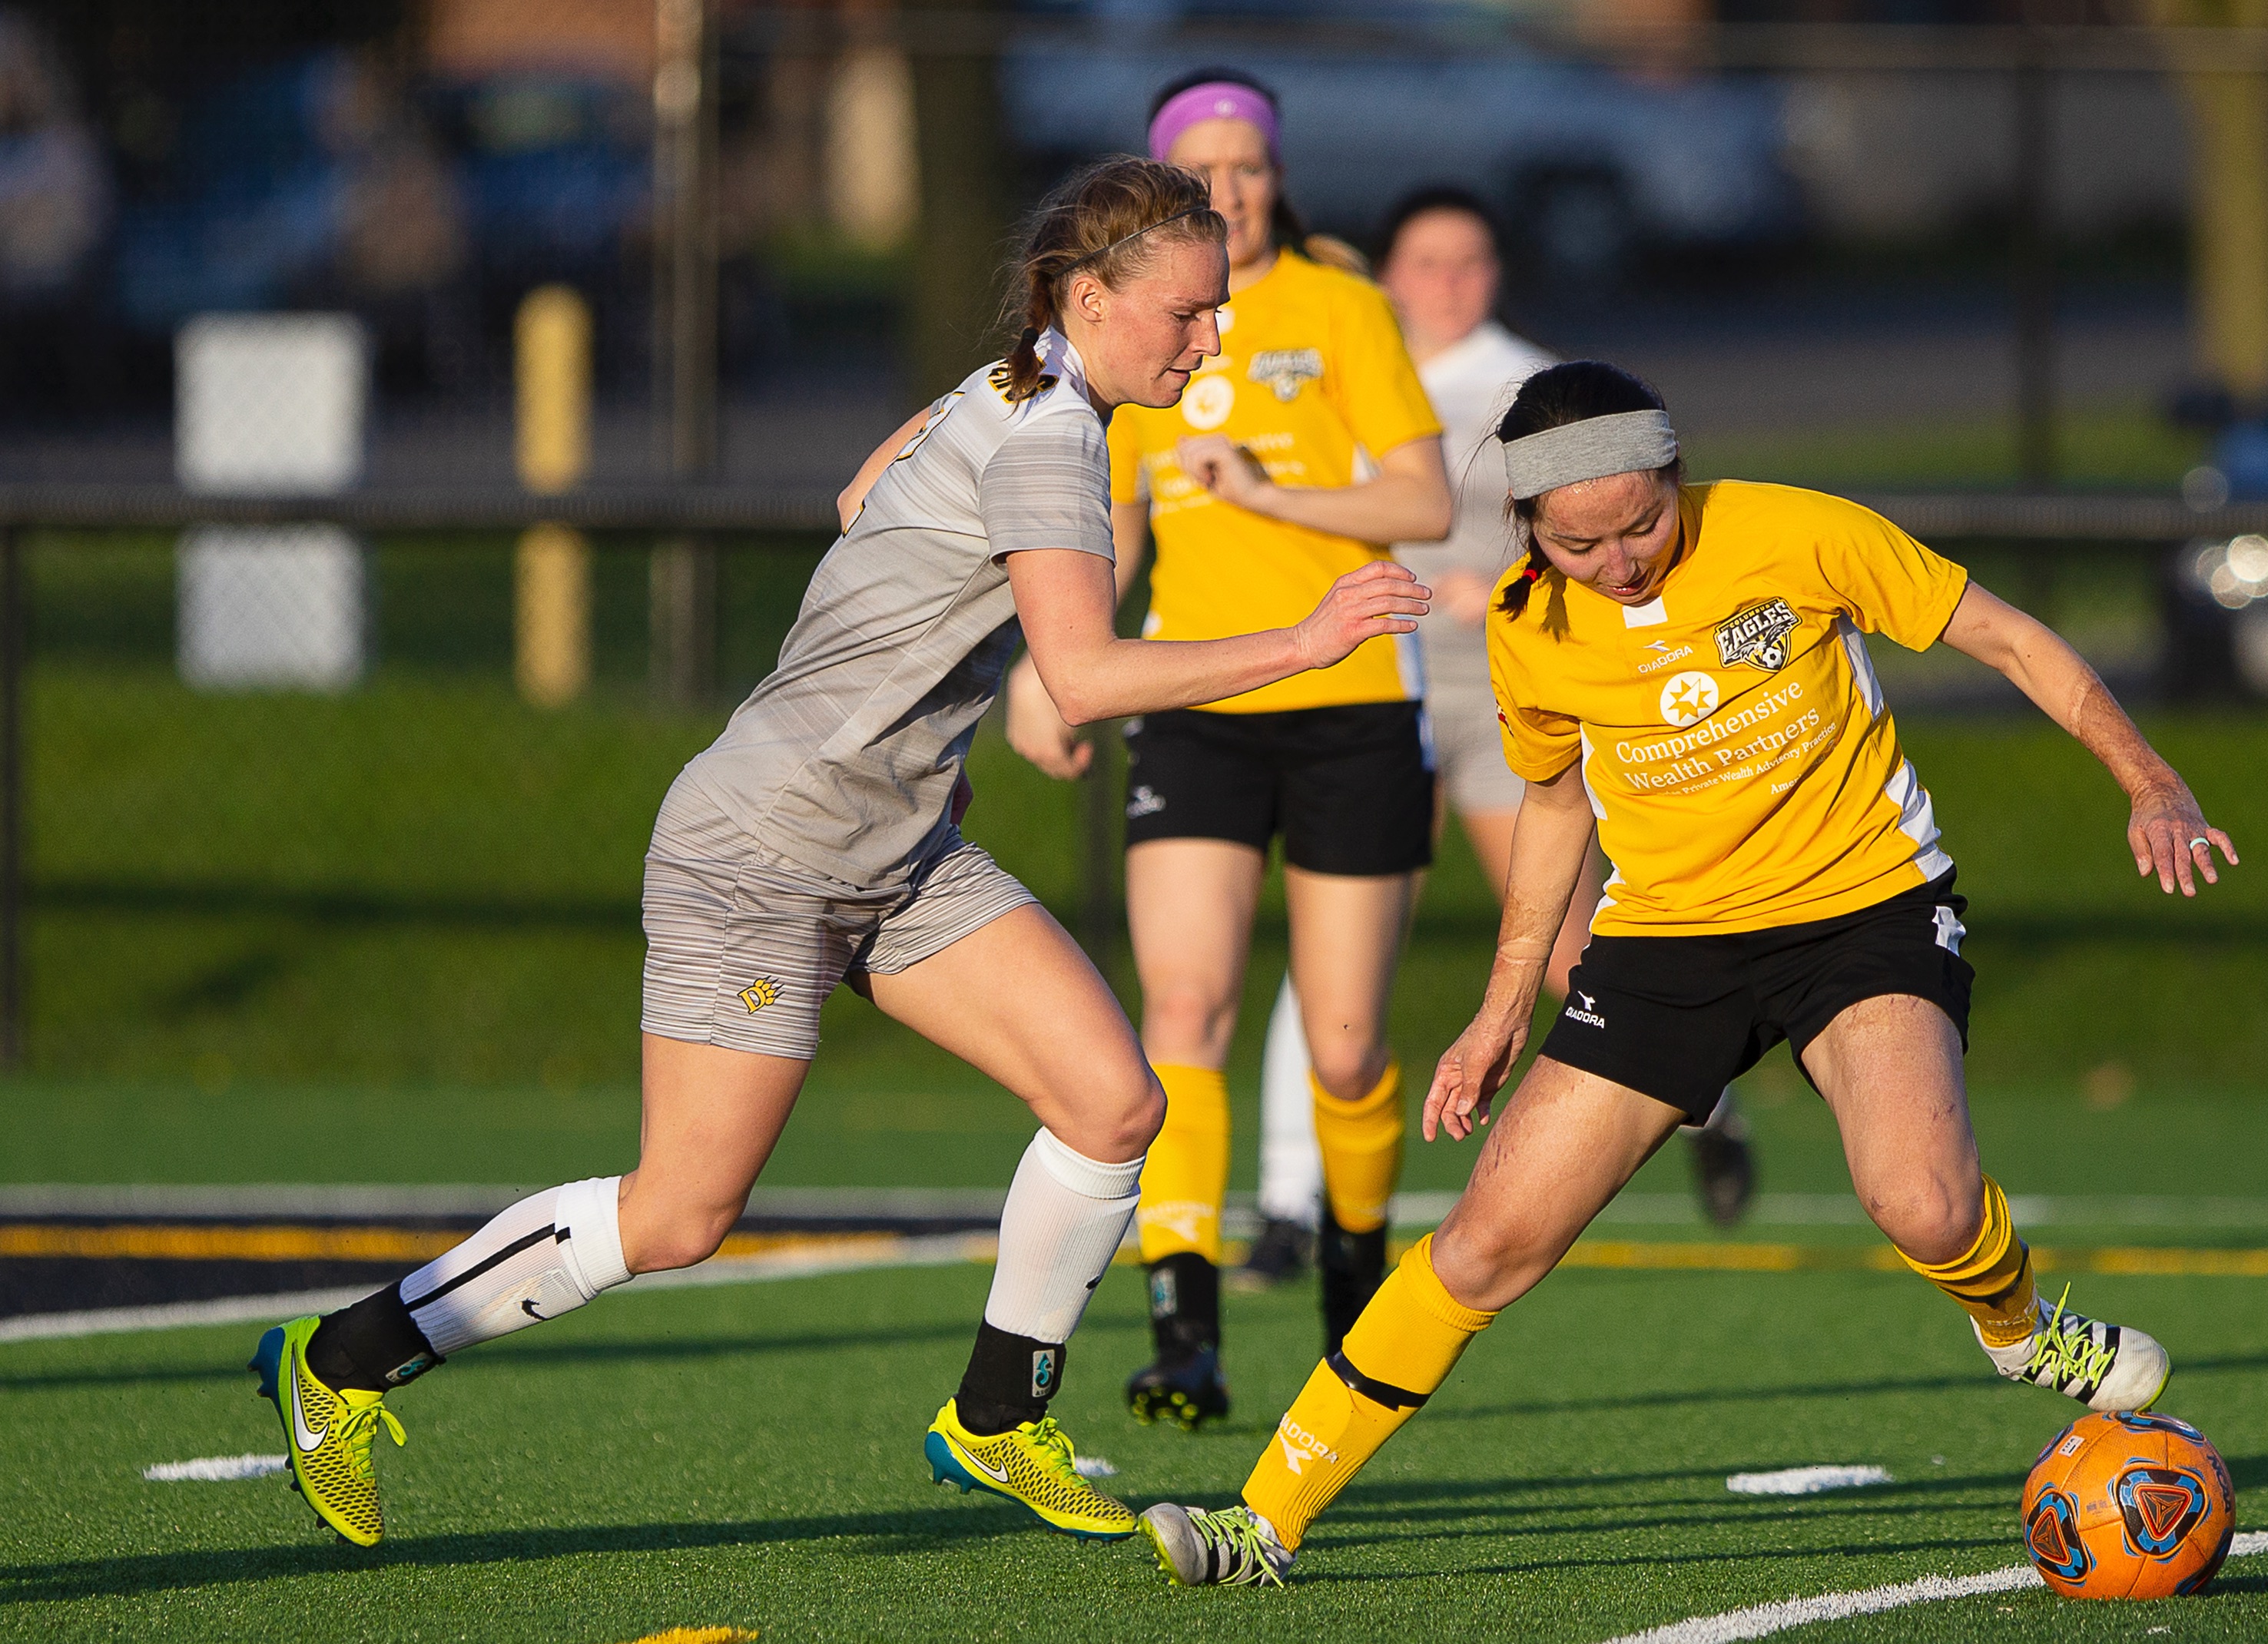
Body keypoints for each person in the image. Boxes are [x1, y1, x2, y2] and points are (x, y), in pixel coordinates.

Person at [245, 156, 1431, 1551]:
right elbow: (1090, 675)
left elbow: (864, 502)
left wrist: (917, 733)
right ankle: (341, 1361)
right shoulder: (1049, 436)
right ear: (1089, 296)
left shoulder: (1010, 386)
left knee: (1114, 1103)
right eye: (1186, 313)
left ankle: (995, 1420)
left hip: (896, 845)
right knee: (681, 1214)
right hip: (764, 851)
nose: (1211, 337)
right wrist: (1305, 642)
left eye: (1217, 310)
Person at [1136, 361, 2237, 1587]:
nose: (1620, 561)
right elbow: (1552, 804)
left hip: (1861, 911)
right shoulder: (1525, 624)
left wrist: (2150, 780)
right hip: (1666, 943)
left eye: (1644, 522)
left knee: (1921, 1203)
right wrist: (1503, 1005)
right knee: (1486, 1241)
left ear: (1677, 476)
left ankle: (2020, 1330)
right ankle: (1263, 1523)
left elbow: (2009, 637)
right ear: (1526, 529)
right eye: (1579, 542)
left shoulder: (1797, 530)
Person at [1006, 68, 1451, 1429]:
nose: (1232, 188)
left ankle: (1355, 1305)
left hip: (1352, 701)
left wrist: (1276, 491)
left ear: (1274, 171)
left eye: (1247, 163)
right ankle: (1181, 1330)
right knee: (1182, 1015)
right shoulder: (1143, 334)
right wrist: (1045, 665)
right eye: (1202, 170)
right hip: (1195, 706)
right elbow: (1111, 528)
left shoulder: (1340, 305)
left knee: (1344, 1042)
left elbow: (1423, 499)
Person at [1235, 191, 1754, 1294]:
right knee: (1341, 947)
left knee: (1571, 954)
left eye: (1470, 262)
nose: (1448, 283)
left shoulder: (1530, 389)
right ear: (1390, 271)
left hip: (1496, 686)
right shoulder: (1343, 364)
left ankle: (1707, 1104)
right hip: (1378, 686)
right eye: (1426, 262)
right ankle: (1285, 1200)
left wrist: (1501, 588)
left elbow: (1602, 541)